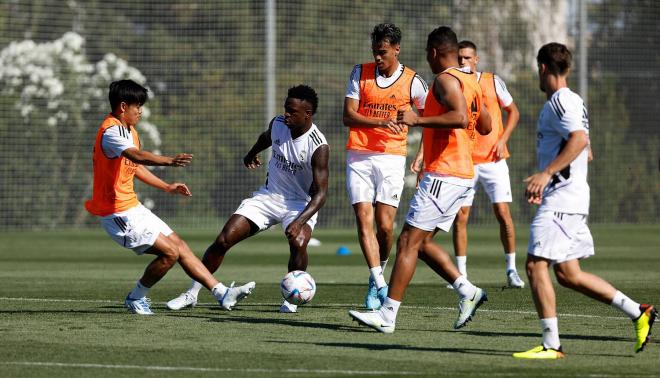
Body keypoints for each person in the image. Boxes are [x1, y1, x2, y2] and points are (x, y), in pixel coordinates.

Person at [513, 43, 656, 359]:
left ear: (542, 68)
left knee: (536, 265)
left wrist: (547, 173)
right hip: (566, 196)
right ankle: (639, 311)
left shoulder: (562, 100)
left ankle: (552, 345)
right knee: (568, 274)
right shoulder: (567, 101)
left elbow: (579, 140)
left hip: (564, 200)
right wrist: (549, 177)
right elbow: (584, 148)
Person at [349, 26, 492, 333]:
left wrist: (418, 119)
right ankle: (468, 291)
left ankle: (387, 315)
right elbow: (485, 125)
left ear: (434, 52)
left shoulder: (445, 79)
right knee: (422, 244)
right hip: (462, 173)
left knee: (406, 243)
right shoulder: (471, 80)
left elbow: (460, 118)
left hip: (445, 171)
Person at [85, 79, 245, 315]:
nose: (140, 110)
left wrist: (167, 187)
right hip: (117, 213)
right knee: (170, 253)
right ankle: (136, 298)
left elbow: (134, 167)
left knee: (179, 245)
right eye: (137, 105)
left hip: (133, 208)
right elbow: (137, 157)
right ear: (122, 106)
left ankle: (222, 293)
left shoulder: (130, 131)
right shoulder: (111, 131)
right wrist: (169, 161)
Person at [167, 85, 329, 313]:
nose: (287, 114)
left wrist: (299, 221)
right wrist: (252, 153)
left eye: (292, 111)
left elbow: (321, 194)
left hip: (299, 203)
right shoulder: (279, 124)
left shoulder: (318, 145)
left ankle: (291, 299)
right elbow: (266, 137)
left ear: (307, 114)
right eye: (286, 108)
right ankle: (192, 293)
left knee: (298, 242)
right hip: (269, 197)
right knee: (224, 239)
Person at [343, 23, 428, 310]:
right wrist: (380, 121)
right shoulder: (360, 73)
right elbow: (348, 116)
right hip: (359, 155)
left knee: (385, 226)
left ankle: (378, 270)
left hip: (393, 156)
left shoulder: (414, 81)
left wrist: (423, 153)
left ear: (396, 49)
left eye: (382, 52)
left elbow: (430, 118)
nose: (377, 58)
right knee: (363, 217)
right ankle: (379, 283)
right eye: (375, 52)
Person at [445, 40, 524, 288]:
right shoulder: (453, 84)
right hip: (465, 161)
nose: (463, 62)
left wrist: (502, 140)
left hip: (494, 160)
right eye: (459, 58)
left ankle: (511, 270)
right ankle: (461, 275)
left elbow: (514, 111)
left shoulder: (491, 80)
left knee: (503, 214)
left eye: (467, 58)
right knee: (461, 217)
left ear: (476, 60)